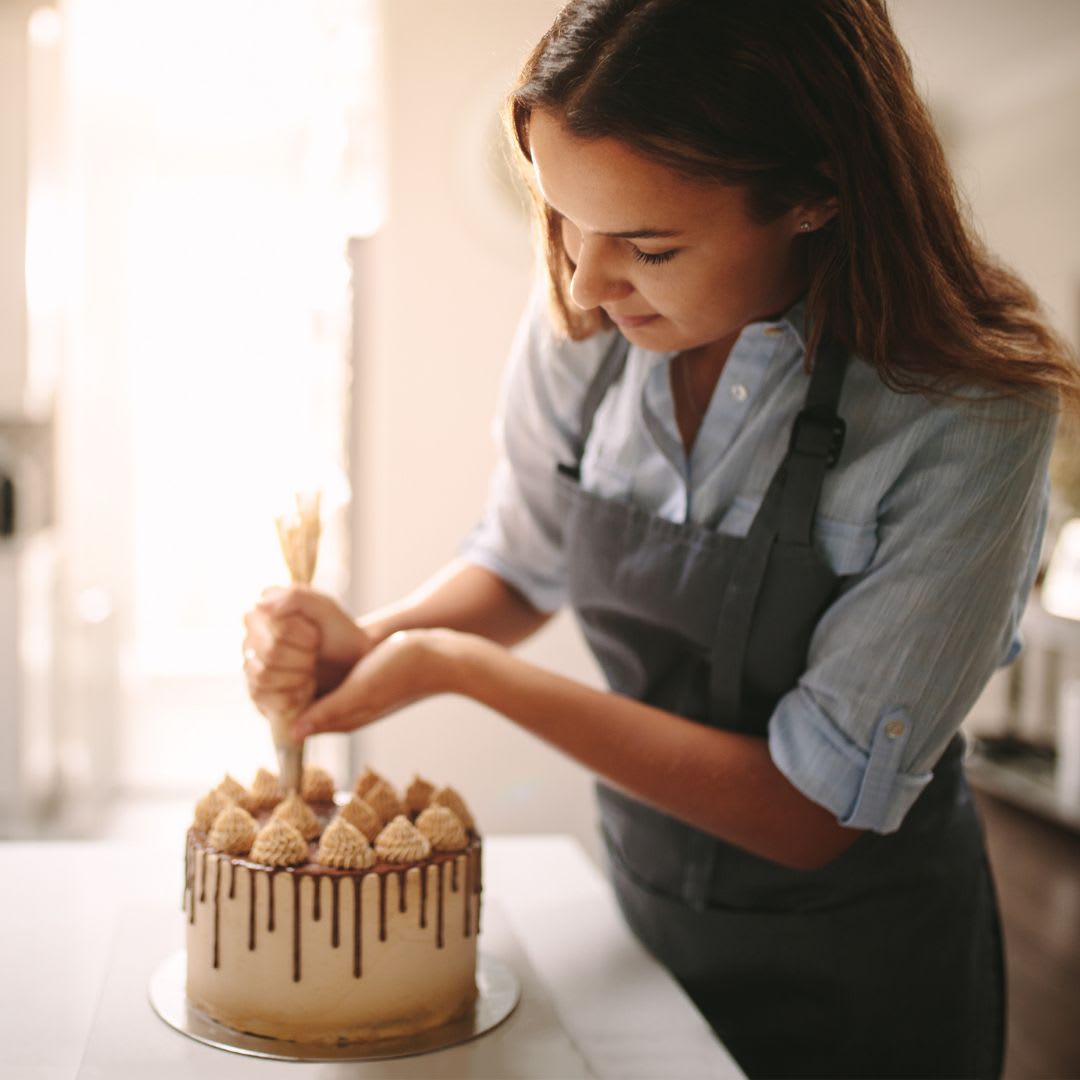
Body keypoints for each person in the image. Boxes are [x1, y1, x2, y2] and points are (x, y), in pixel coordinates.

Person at [241, 2, 1079, 1076]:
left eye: (648, 244)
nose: (586, 284)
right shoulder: (590, 317)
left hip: (857, 972)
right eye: (561, 222)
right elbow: (523, 557)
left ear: (820, 191)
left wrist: (455, 670)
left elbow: (812, 809)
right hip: (641, 907)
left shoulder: (967, 409)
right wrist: (359, 639)